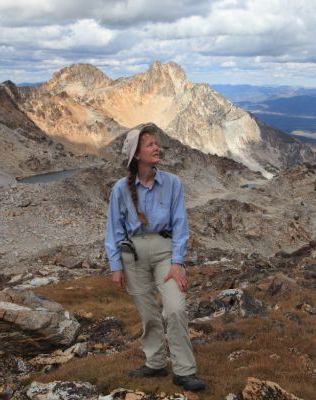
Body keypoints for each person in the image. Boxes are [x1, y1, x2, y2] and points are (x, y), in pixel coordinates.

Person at [104, 123, 205, 392]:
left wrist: (177, 262)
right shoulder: (119, 189)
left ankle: (184, 370)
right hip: (132, 256)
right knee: (148, 314)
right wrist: (115, 265)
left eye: (156, 144)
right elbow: (113, 229)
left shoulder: (173, 183)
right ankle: (156, 362)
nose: (156, 148)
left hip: (165, 252)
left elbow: (181, 224)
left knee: (175, 307)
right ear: (137, 155)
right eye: (149, 145)